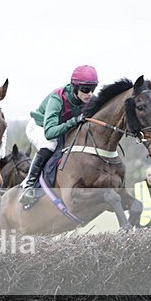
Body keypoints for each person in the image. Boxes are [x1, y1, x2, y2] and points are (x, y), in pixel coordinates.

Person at [18, 65, 99, 206]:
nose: (90, 94)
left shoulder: (89, 99)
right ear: (74, 87)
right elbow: (49, 133)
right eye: (85, 90)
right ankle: (28, 186)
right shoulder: (58, 98)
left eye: (93, 89)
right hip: (39, 126)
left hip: (59, 128)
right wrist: (73, 122)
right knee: (51, 145)